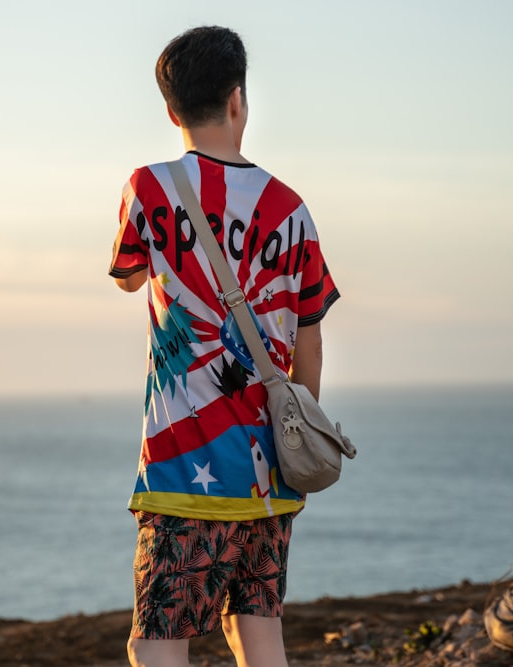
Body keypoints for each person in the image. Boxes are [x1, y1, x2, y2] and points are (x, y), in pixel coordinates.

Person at [109, 26, 340, 667]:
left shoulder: (148, 187)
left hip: (181, 466)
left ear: (170, 110)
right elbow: (310, 337)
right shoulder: (290, 208)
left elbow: (129, 277)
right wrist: (293, 432)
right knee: (258, 635)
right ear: (238, 99)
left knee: (154, 641)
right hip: (269, 472)